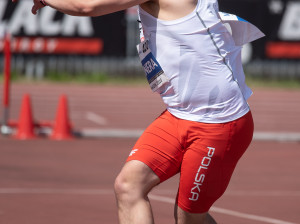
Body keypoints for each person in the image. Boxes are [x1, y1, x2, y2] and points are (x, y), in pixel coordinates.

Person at [13, 0, 264, 223]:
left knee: (188, 217)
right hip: (178, 115)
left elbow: (86, 6)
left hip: (218, 123)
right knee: (128, 186)